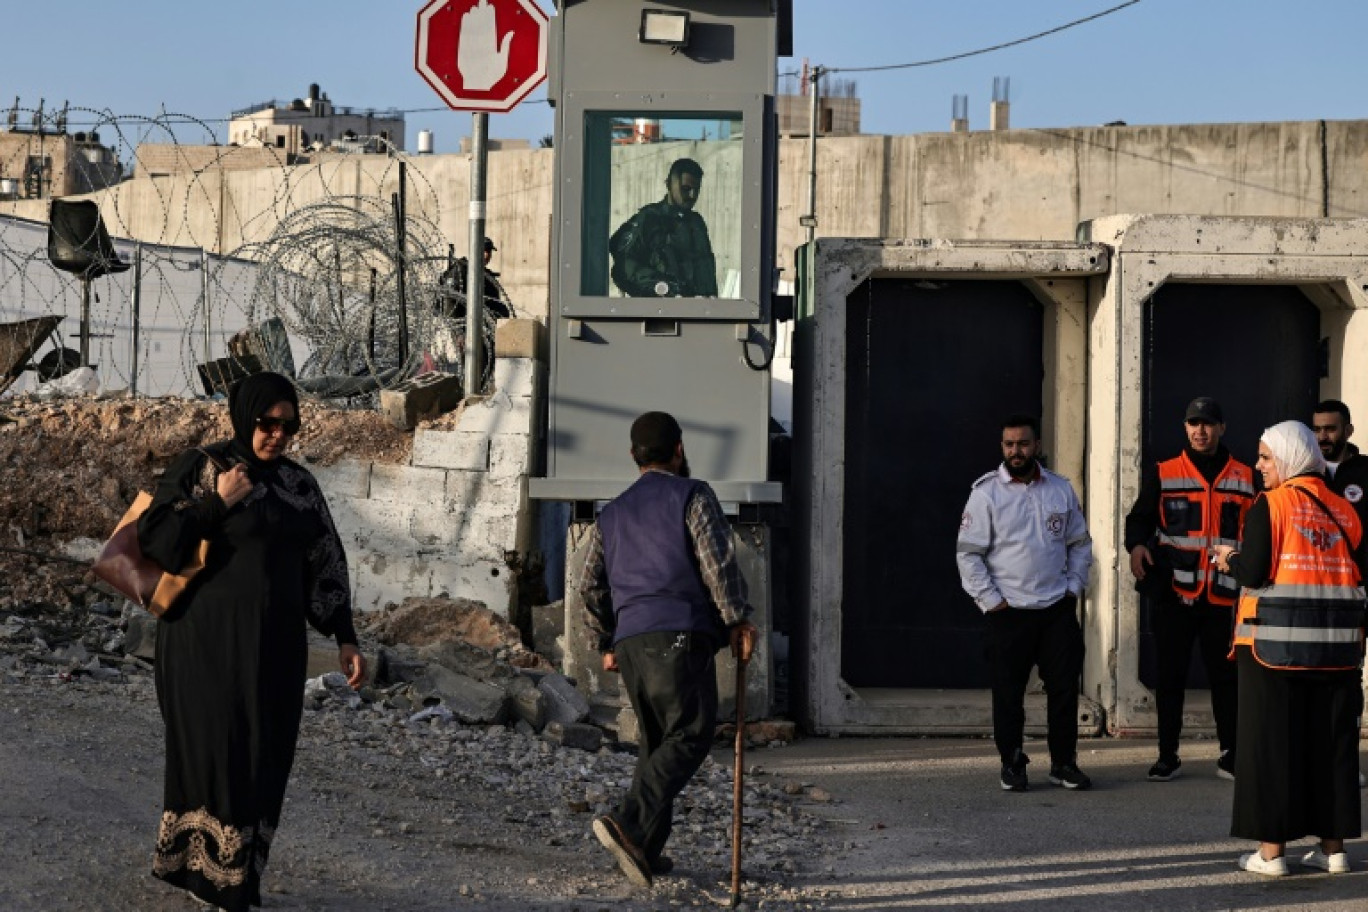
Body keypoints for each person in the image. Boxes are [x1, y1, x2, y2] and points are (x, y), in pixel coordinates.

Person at [137, 371, 365, 911]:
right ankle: (212, 880)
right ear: (245, 417)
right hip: (201, 646)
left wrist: (346, 636)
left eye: (288, 426)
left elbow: (326, 562)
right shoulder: (204, 467)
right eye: (267, 423)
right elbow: (155, 541)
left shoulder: (299, 486)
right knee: (217, 753)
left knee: (264, 755)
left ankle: (238, 876)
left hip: (274, 651)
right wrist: (216, 504)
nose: (277, 435)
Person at [579, 411, 757, 886]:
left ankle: (644, 848)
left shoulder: (610, 513)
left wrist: (603, 640)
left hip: (632, 641)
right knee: (692, 733)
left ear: (633, 457)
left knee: (658, 743)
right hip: (679, 631)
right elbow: (715, 561)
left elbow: (588, 584)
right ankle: (629, 821)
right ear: (678, 450)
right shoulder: (692, 495)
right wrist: (737, 617)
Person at [1213, 421, 1365, 877]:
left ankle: (1271, 854)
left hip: (1273, 649)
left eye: (1265, 457)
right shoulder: (1344, 509)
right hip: (1338, 650)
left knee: (1271, 746)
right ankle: (1334, 850)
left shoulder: (1273, 505)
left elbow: (1255, 572)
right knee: (1332, 747)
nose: (1259, 466)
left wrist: (1228, 559)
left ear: (1289, 457)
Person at [956, 414, 1094, 792]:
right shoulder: (986, 493)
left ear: (1037, 445)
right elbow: (968, 555)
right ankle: (1013, 762)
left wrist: (1073, 587)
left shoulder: (1060, 489)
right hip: (1008, 613)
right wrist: (992, 602)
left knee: (1064, 690)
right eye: (1009, 445)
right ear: (1002, 447)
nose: (1016, 451)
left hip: (1055, 610)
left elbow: (1080, 544)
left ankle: (1064, 764)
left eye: (1023, 443)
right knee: (1009, 694)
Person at [1124, 396, 1255, 782]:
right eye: (1194, 424)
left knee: (1226, 680)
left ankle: (1230, 754)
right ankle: (1167, 755)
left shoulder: (1247, 476)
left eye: (1208, 424)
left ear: (1222, 428)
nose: (1201, 431)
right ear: (1185, 428)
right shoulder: (1164, 472)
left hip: (1223, 596)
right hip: (1176, 594)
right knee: (1171, 678)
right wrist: (1137, 546)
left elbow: (1259, 530)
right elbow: (1139, 519)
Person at [1311, 399, 1368, 791]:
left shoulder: (1365, 472)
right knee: (1319, 683)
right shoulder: (1305, 472)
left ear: (1348, 430)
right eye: (1317, 429)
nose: (1323, 437)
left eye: (1330, 429)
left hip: (1359, 594)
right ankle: (1319, 762)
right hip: (1314, 593)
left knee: (1350, 682)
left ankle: (1347, 765)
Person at [609, 158, 718, 298]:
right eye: (685, 189)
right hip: (659, 311)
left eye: (697, 190)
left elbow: (706, 272)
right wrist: (664, 287)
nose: (692, 196)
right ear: (668, 185)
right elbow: (623, 267)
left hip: (699, 312)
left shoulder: (696, 223)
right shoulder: (649, 219)